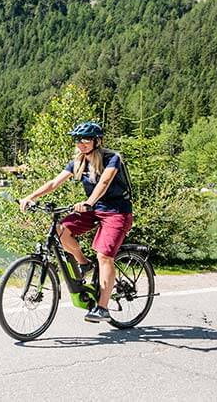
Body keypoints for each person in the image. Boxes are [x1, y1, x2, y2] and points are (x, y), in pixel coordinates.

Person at [19, 121, 133, 323]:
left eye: (86, 139)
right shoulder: (78, 162)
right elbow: (54, 182)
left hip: (116, 212)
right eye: (78, 140)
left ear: (98, 141)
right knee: (60, 229)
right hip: (93, 210)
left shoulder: (112, 158)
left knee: (104, 256)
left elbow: (105, 182)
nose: (81, 143)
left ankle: (103, 308)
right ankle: (83, 263)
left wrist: (89, 202)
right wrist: (31, 196)